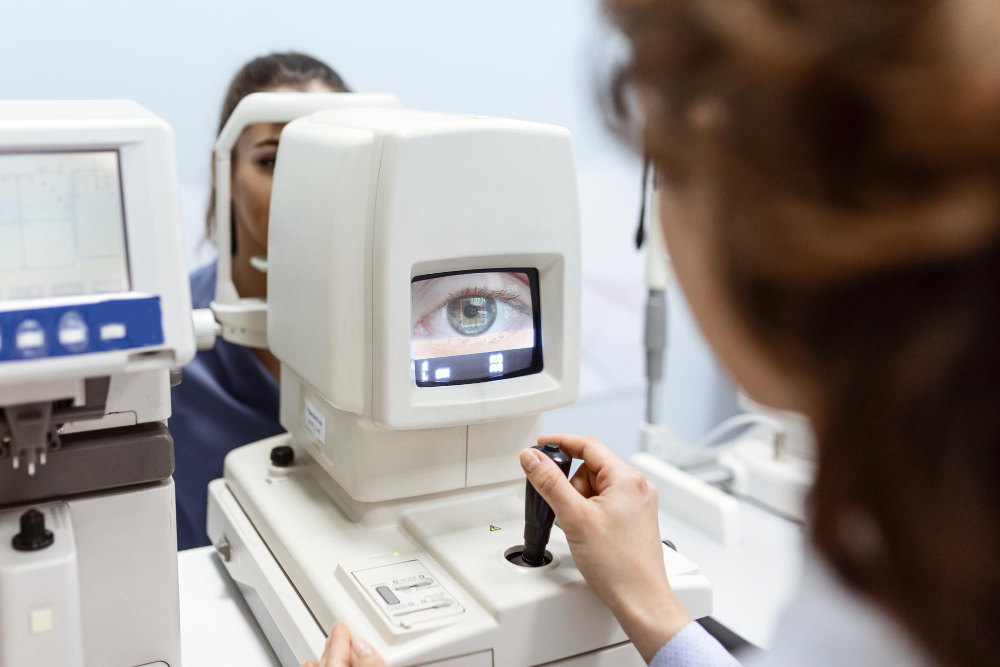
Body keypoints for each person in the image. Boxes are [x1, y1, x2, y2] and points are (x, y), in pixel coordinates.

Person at [308, 0, 1000, 665]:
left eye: (661, 166)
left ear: (764, 215)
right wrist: (652, 605)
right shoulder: (918, 529)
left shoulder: (891, 592)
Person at [169, 53, 350, 550]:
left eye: (332, 159)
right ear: (225, 168)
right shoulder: (166, 338)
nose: (304, 186)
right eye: (272, 160)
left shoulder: (400, 326)